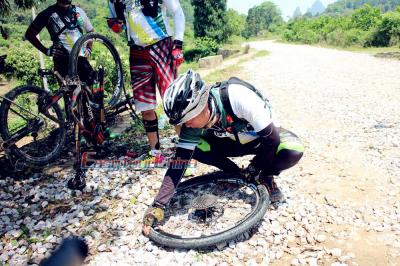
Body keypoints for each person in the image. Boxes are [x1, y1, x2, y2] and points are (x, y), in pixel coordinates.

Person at [142, 70, 304, 235]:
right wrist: (158, 205)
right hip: (230, 142)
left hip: (260, 142)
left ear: (202, 105)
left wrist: (254, 168)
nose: (186, 125)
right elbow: (179, 162)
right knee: (192, 149)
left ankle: (266, 175)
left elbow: (272, 140)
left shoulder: (238, 97)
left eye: (188, 119)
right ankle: (233, 173)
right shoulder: (192, 120)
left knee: (292, 150)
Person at [107, 0, 185, 159]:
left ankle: (189, 152)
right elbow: (119, 24)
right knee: (146, 107)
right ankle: (156, 153)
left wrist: (178, 44)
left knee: (173, 101)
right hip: (137, 52)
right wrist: (116, 25)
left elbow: (177, 12)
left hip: (162, 45)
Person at [25, 0, 95, 84]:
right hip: (61, 61)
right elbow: (29, 34)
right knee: (69, 92)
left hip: (81, 59)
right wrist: (46, 51)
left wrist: (89, 48)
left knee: (90, 90)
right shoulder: (47, 13)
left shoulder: (79, 11)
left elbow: (90, 31)